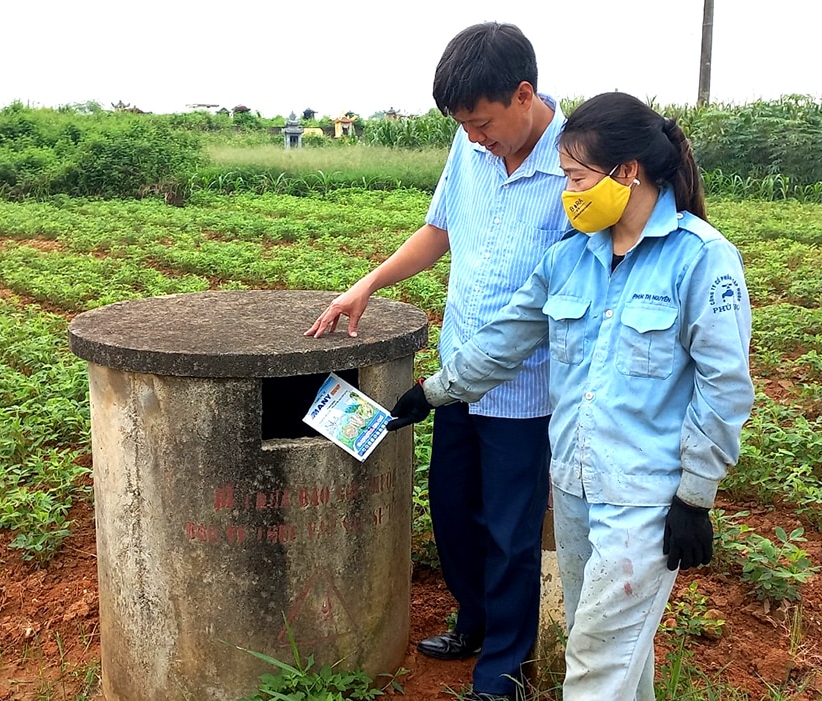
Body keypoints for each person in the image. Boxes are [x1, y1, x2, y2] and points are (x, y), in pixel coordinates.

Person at [386, 92, 754, 701]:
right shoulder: (571, 258)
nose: (568, 194)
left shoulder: (703, 261)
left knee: (593, 666)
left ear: (626, 173)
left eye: (578, 179)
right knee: (615, 656)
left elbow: (724, 388)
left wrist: (695, 495)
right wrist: (433, 393)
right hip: (576, 487)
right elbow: (506, 339)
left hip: (645, 499)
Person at [305, 22, 569, 701]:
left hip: (523, 390)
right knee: (452, 510)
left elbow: (550, 307)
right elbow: (439, 229)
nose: (476, 138)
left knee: (511, 534)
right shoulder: (471, 144)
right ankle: (476, 621)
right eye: (465, 127)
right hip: (456, 380)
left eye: (483, 124)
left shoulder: (574, 166)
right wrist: (367, 283)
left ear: (523, 94)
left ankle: (502, 673)